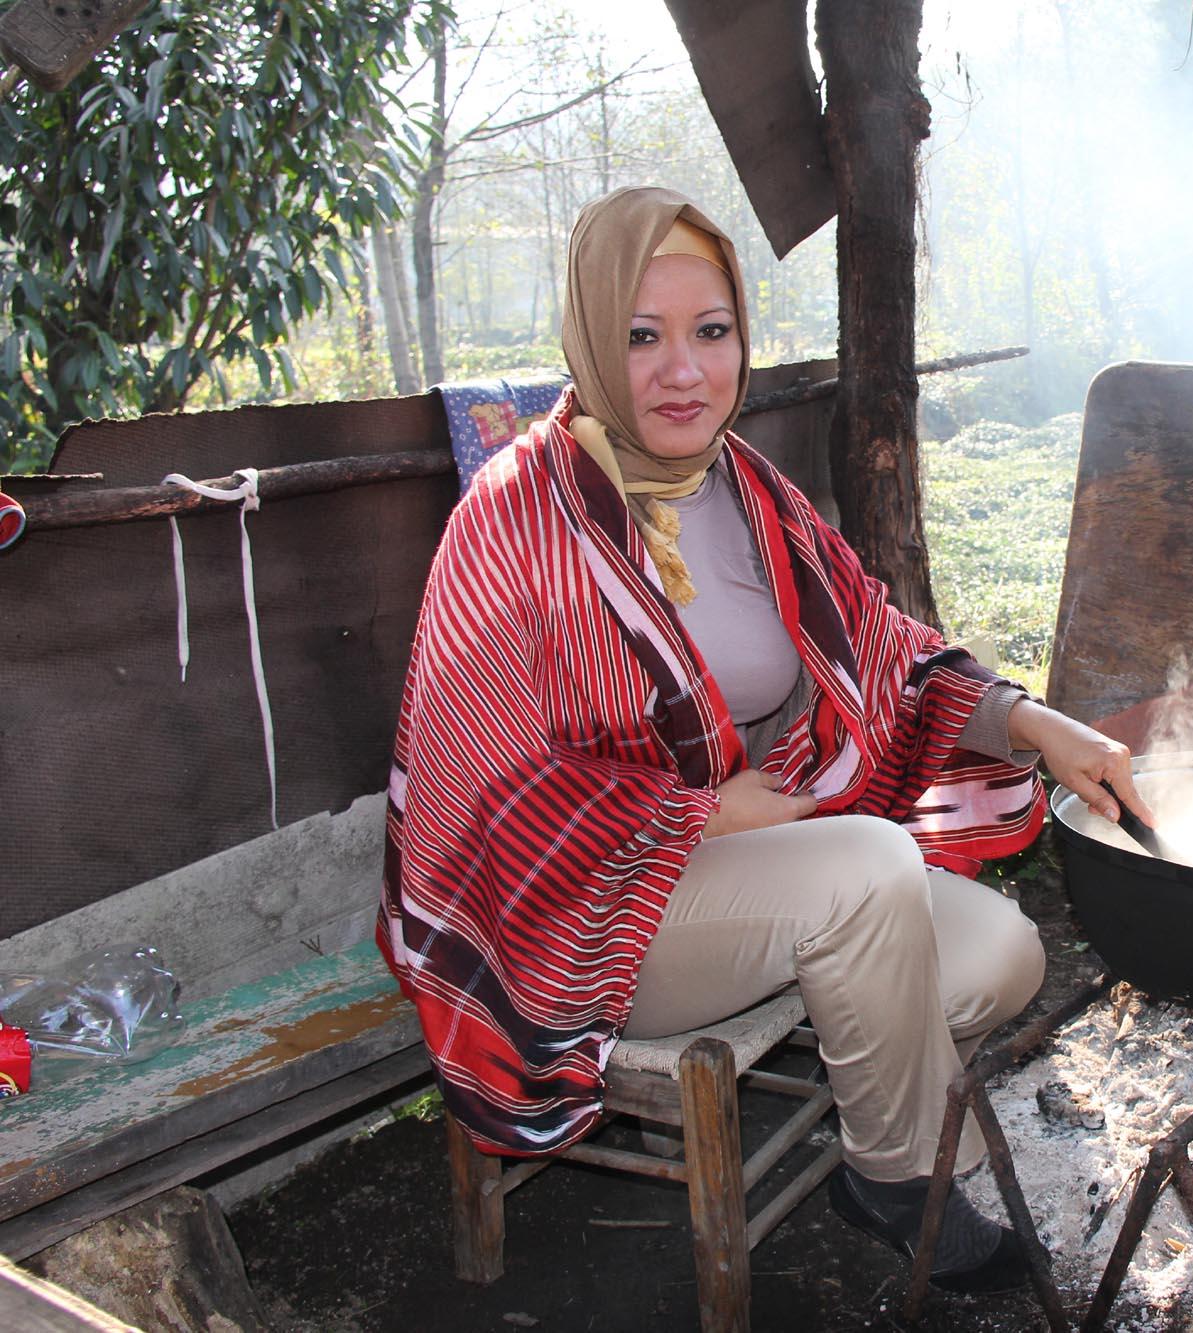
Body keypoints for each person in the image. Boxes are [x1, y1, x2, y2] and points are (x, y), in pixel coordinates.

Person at [377, 185, 1154, 1294]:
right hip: (587, 912)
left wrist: (1032, 720)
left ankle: (865, 1120)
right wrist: (691, 811)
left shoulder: (743, 486)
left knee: (1001, 954)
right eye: (641, 336)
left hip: (758, 866)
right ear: (593, 334)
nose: (683, 371)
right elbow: (479, 787)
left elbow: (878, 641)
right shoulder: (510, 519)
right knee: (868, 868)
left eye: (711, 331)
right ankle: (901, 1179)